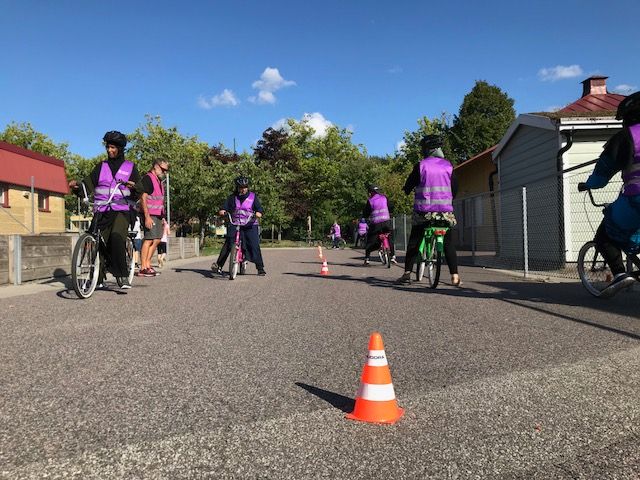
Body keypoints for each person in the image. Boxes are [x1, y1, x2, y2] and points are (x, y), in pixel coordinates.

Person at [578, 91, 640, 296]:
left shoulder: (627, 137)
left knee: (606, 233)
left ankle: (620, 274)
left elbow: (601, 175)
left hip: (637, 197)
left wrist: (588, 185)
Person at [68, 131, 141, 289]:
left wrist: (134, 187)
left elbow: (139, 189)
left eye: (113, 147)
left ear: (120, 149)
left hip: (122, 209)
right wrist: (78, 186)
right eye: (108, 147)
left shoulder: (130, 167)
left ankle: (121, 275)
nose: (109, 150)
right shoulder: (101, 166)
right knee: (96, 240)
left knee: (115, 236)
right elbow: (88, 184)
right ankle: (98, 277)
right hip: (102, 209)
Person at [397, 134, 461, 286]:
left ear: (426, 149)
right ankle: (455, 276)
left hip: (424, 212)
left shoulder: (421, 166)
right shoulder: (448, 166)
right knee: (448, 242)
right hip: (445, 212)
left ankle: (407, 273)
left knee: (414, 241)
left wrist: (406, 190)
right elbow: (455, 187)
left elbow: (409, 183)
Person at [211, 176, 266, 276]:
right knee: (229, 243)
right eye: (240, 187)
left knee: (254, 245)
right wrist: (222, 211)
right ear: (237, 187)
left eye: (245, 187)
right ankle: (218, 265)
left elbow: (259, 210)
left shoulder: (253, 197)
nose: (243, 189)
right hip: (235, 223)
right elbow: (224, 208)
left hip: (250, 224)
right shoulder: (232, 197)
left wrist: (258, 213)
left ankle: (260, 268)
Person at [138, 158, 169, 277]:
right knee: (149, 239)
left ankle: (148, 264)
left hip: (158, 215)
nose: (165, 172)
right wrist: (147, 216)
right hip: (149, 214)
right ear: (156, 167)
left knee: (156, 240)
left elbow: (159, 201)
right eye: (163, 170)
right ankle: (143, 267)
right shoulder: (148, 178)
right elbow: (143, 197)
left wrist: (163, 217)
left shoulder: (159, 181)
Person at [362, 186, 396, 265]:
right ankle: (393, 256)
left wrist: (365, 217)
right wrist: (389, 213)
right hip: (386, 222)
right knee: (390, 238)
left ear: (372, 192)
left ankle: (367, 259)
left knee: (370, 240)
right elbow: (391, 207)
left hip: (376, 224)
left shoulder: (370, 201)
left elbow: (366, 213)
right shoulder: (384, 198)